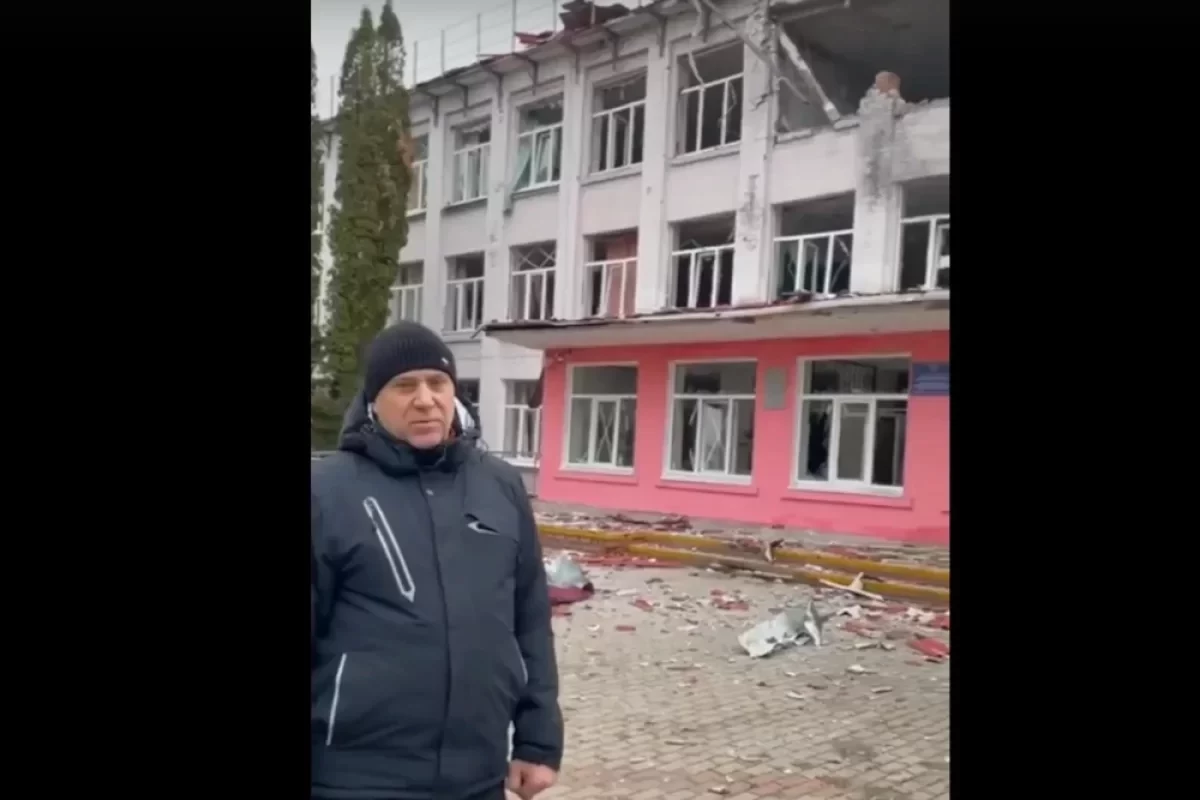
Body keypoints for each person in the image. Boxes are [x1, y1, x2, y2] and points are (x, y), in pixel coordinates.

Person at [311, 321, 563, 800]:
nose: (425, 400)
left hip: (477, 773)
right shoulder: (327, 491)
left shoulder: (499, 485)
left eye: (437, 383)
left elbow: (530, 619)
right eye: (405, 386)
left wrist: (538, 740)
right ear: (373, 400)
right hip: (355, 776)